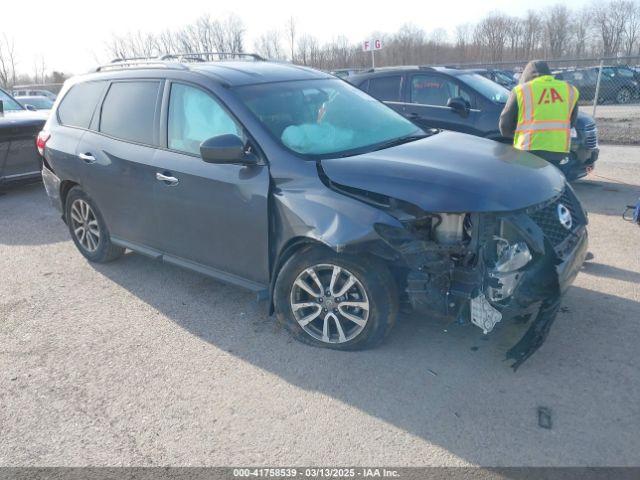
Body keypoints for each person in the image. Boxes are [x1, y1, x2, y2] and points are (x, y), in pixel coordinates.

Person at [499, 60, 579, 173]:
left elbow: (505, 125)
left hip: (528, 150)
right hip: (558, 150)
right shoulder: (570, 90)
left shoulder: (521, 90)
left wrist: (514, 135)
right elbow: (572, 122)